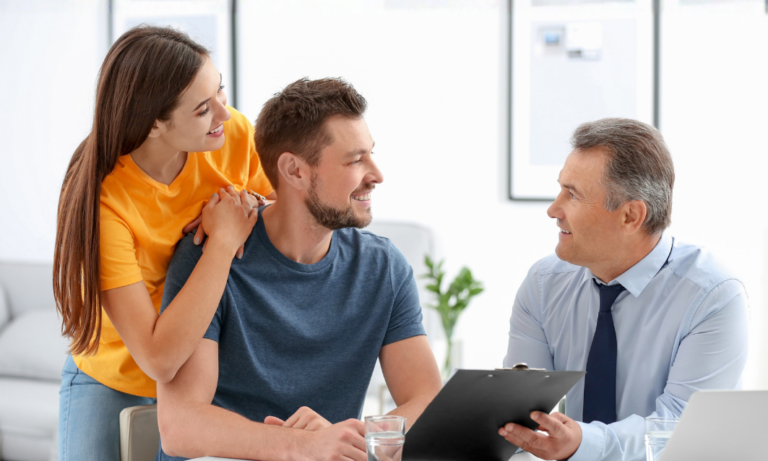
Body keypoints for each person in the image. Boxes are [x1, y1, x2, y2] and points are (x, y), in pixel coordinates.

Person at [154, 77, 443, 461]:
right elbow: (180, 426)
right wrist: (305, 446)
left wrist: (349, 440)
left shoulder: (383, 267)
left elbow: (425, 400)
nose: (376, 174)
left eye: (371, 154)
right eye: (356, 159)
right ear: (293, 171)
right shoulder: (212, 255)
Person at [53, 26, 275, 461]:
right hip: (114, 377)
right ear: (155, 122)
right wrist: (222, 241)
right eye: (202, 109)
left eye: (221, 92)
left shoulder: (232, 137)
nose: (224, 116)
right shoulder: (104, 201)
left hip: (206, 376)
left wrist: (250, 201)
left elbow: (284, 211)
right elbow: (158, 359)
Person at [500, 118, 749, 461]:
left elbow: (681, 427)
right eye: (560, 189)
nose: (553, 210)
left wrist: (581, 443)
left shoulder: (713, 296)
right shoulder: (544, 284)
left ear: (631, 216)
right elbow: (520, 413)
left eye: (572, 195)